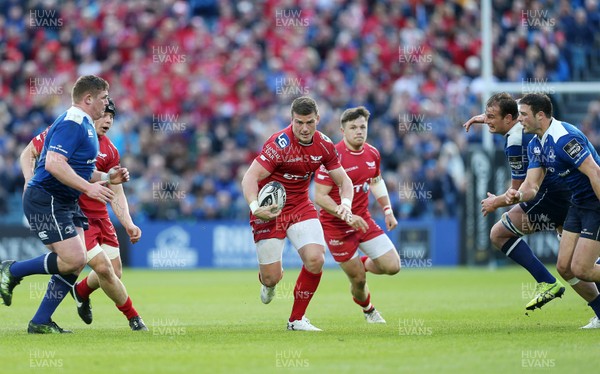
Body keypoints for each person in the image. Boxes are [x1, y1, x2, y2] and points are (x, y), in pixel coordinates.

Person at [0, 75, 128, 334]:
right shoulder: (73, 122)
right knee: (73, 258)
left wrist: (105, 178)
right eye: (103, 98)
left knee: (76, 261)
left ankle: (40, 321)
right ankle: (11, 270)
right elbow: (53, 164)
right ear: (88, 98)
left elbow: (80, 169)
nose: (107, 103)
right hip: (47, 198)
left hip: (65, 202)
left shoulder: (87, 126)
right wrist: (89, 188)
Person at [19, 98, 147, 331]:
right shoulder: (70, 129)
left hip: (101, 218)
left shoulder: (110, 149)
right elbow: (29, 152)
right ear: (92, 110)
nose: (107, 119)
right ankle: (134, 318)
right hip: (75, 214)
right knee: (98, 267)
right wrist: (29, 180)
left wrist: (127, 222)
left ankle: (79, 292)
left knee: (114, 272)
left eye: (112, 117)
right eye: (104, 113)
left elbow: (114, 187)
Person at [241, 96, 354, 331]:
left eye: (309, 122)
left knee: (316, 259)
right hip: (270, 210)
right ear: (291, 120)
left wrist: (345, 203)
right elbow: (250, 177)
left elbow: (344, 181)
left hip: (301, 206)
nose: (304, 128)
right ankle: (268, 282)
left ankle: (296, 320)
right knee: (272, 278)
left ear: (318, 120)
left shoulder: (323, 145)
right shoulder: (279, 144)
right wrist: (255, 208)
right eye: (299, 122)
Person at [503, 93, 600, 328]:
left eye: (524, 114)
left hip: (595, 205)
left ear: (541, 115)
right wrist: (517, 195)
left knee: (582, 268)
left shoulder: (564, 139)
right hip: (577, 205)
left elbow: (595, 172)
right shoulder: (538, 143)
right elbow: (532, 185)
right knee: (564, 268)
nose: (520, 120)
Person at [463, 92, 567, 310]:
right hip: (565, 188)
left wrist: (497, 202)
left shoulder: (514, 142)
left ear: (509, 119)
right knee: (575, 265)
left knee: (498, 233)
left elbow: (518, 187)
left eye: (492, 117)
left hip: (547, 195)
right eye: (487, 116)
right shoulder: (521, 118)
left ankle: (548, 282)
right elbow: (511, 106)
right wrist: (482, 118)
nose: (488, 121)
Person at [314, 106, 400, 324]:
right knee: (358, 280)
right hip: (336, 227)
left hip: (363, 220)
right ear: (343, 131)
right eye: (353, 127)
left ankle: (361, 261)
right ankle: (369, 310)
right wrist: (346, 215)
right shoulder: (332, 157)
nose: (359, 131)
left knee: (393, 266)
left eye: (363, 126)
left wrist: (388, 210)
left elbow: (376, 181)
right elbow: (321, 197)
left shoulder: (373, 153)